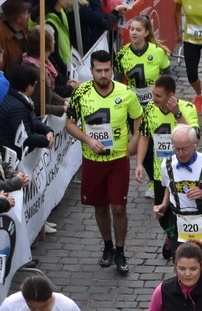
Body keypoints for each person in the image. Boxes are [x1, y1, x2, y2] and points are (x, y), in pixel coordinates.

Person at [69, 50, 145, 275]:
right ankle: (108, 246)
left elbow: (139, 116)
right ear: (91, 71)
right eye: (99, 70)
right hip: (92, 161)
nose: (103, 75)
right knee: (100, 206)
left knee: (119, 207)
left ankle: (121, 251)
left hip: (118, 159)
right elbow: (70, 123)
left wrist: (134, 139)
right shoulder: (81, 93)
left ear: (112, 69)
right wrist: (87, 139)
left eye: (107, 70)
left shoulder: (126, 93)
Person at [156, 126, 202, 260]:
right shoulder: (166, 165)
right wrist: (163, 204)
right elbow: (168, 186)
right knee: (181, 265)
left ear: (195, 144)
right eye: (176, 148)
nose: (180, 153)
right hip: (178, 222)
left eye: (185, 148)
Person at [136, 74, 202, 204]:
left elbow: (194, 138)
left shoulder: (188, 108)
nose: (153, 98)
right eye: (153, 94)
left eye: (158, 96)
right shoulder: (150, 108)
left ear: (171, 95)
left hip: (183, 171)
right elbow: (144, 137)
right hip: (160, 172)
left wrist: (177, 114)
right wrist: (139, 163)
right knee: (163, 216)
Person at [121, 16, 176, 108]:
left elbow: (168, 76)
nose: (134, 33)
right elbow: (117, 80)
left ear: (146, 33)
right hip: (133, 105)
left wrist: (168, 97)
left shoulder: (157, 51)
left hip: (154, 104)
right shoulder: (122, 53)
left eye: (138, 30)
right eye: (132, 29)